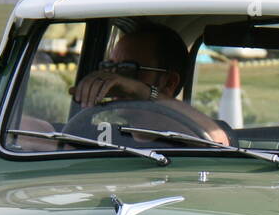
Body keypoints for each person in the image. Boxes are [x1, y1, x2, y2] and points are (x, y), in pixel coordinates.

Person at [68, 26, 227, 141]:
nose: (115, 79)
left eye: (127, 69)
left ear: (169, 83)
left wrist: (139, 91)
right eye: (110, 66)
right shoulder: (105, 136)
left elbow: (215, 139)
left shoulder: (191, 136)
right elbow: (47, 136)